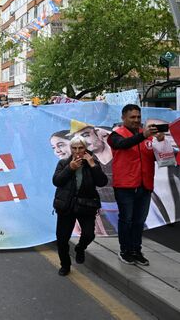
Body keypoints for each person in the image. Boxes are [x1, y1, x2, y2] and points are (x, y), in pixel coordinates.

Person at [107, 104, 164, 266]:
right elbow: (123, 144)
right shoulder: (115, 135)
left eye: (138, 117)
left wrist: (161, 142)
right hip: (125, 186)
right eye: (132, 117)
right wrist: (144, 135)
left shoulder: (148, 137)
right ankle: (125, 251)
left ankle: (136, 250)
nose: (136, 120)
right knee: (126, 219)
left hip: (145, 185)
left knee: (139, 221)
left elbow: (157, 156)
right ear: (123, 118)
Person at [52, 136, 108, 276]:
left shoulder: (92, 162)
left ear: (85, 148)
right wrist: (69, 169)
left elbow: (102, 182)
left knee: (89, 234)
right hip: (66, 206)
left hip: (86, 205)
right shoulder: (64, 163)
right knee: (62, 239)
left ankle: (80, 248)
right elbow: (57, 181)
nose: (78, 151)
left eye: (81, 148)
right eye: (74, 148)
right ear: (71, 149)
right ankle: (65, 265)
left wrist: (93, 165)